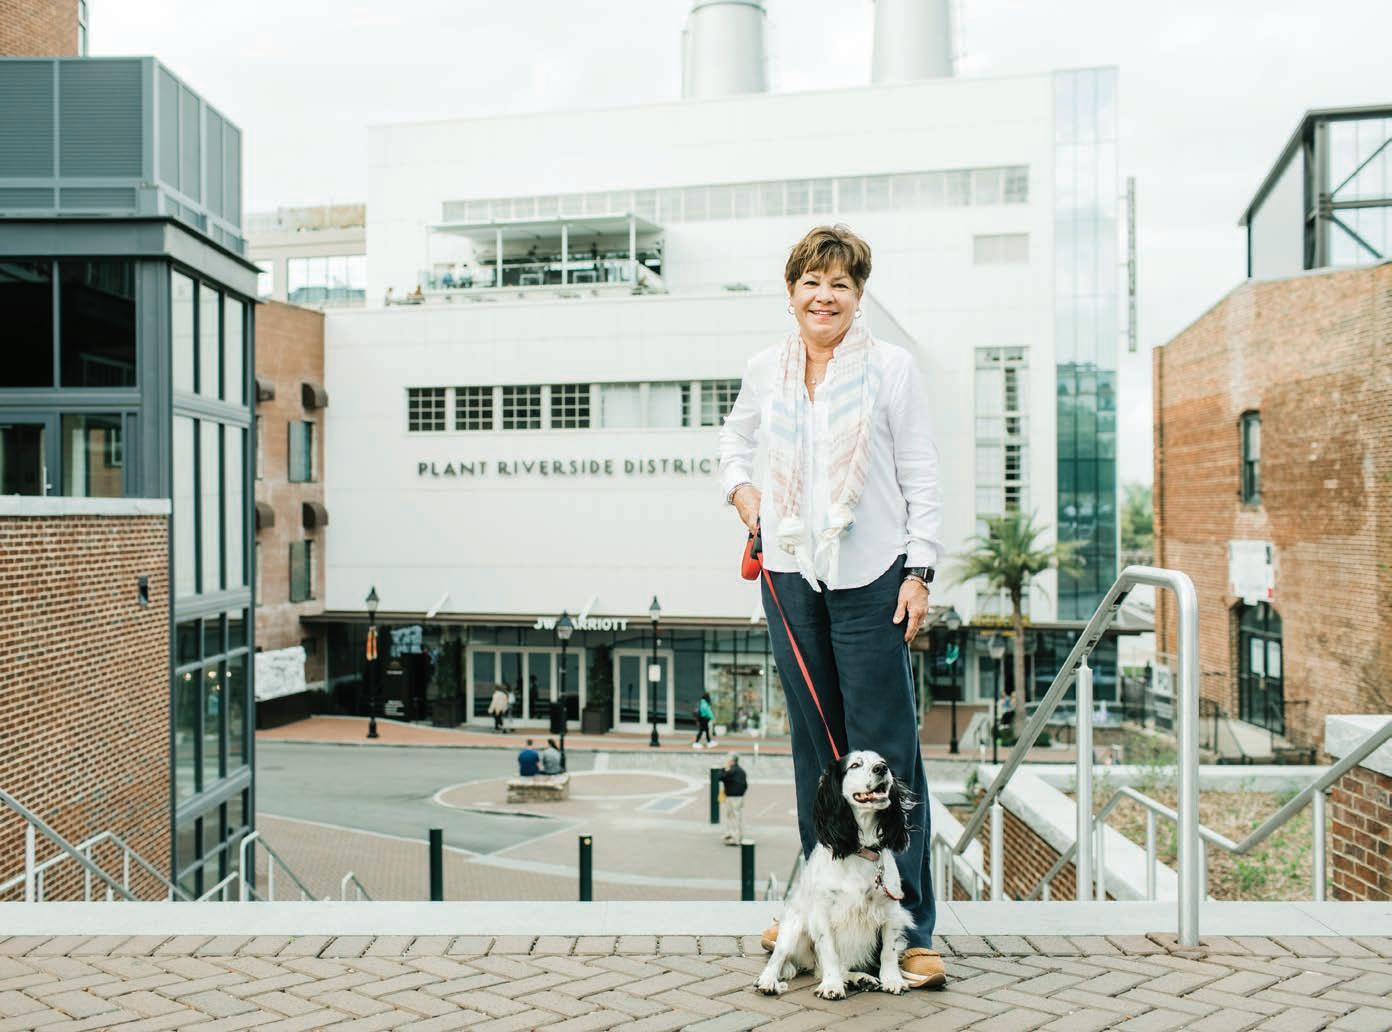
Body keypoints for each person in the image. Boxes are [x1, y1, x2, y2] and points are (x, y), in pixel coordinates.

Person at [716, 224, 947, 989]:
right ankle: (818, 912)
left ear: (858, 295)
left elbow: (920, 472)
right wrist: (745, 496)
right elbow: (732, 446)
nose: (825, 296)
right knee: (818, 756)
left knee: (887, 752)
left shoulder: (892, 368)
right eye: (812, 283)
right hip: (789, 575)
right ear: (792, 293)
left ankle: (909, 930)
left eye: (840, 284)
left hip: (873, 574)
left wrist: (920, 571)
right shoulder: (766, 370)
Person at [719, 754, 747, 845]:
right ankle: (732, 835)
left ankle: (735, 838)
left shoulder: (731, 771)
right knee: (735, 816)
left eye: (728, 761)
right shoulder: (741, 770)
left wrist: (723, 769)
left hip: (732, 796)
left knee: (733, 817)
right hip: (739, 796)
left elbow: (720, 777)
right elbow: (745, 785)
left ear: (732, 761)